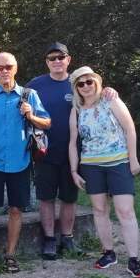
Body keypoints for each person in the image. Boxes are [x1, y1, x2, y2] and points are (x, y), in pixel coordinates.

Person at [27, 42, 117, 259]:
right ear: (47, 62)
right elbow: (20, 104)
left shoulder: (78, 83)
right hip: (44, 152)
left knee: (69, 198)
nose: (57, 61)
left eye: (61, 57)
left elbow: (96, 95)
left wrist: (109, 90)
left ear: (68, 59)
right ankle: (49, 240)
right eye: (52, 58)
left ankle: (67, 238)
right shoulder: (35, 85)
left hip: (73, 154)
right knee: (46, 198)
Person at [0, 52, 51, 272]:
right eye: (0, 68)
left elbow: (47, 123)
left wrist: (31, 116)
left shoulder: (29, 95)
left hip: (20, 162)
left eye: (8, 67)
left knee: (16, 210)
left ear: (15, 68)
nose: (4, 71)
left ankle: (10, 255)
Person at [68, 66, 140, 278]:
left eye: (89, 81)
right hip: (91, 166)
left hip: (118, 163)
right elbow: (73, 142)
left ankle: (134, 259)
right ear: (76, 88)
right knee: (100, 209)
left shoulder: (110, 99)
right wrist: (74, 170)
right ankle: (108, 253)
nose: (86, 86)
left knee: (125, 211)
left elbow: (130, 128)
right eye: (80, 83)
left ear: (96, 82)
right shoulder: (76, 110)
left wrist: (133, 159)